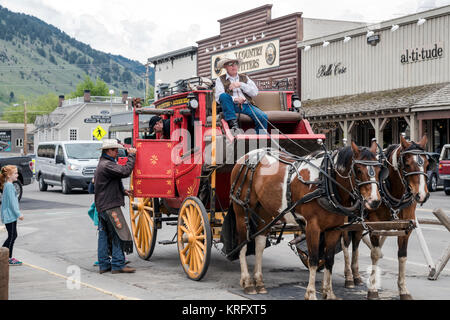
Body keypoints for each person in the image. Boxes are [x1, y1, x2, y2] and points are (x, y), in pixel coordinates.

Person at [94, 139, 137, 274]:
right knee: (119, 234)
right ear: (108, 151)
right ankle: (118, 265)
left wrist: (123, 191)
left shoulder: (103, 164)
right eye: (115, 150)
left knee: (104, 236)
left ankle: (104, 265)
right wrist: (132, 156)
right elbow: (125, 171)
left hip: (102, 205)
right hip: (110, 206)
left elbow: (106, 185)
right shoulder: (107, 165)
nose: (117, 152)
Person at [215, 56, 268, 134]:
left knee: (263, 116)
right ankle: (234, 127)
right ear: (225, 66)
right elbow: (218, 97)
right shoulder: (220, 79)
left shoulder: (245, 78)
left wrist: (240, 84)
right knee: (223, 96)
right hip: (231, 106)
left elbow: (255, 92)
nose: (233, 66)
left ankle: (261, 140)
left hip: (246, 105)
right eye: (230, 64)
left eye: (235, 63)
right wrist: (235, 99)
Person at [1, 165, 24, 266]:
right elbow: (12, 203)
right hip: (10, 215)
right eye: (15, 173)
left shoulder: (7, 185)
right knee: (12, 236)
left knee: (12, 235)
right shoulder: (9, 186)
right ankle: (7, 257)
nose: (17, 175)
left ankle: (4, 255)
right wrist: (18, 214)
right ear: (9, 175)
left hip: (9, 215)